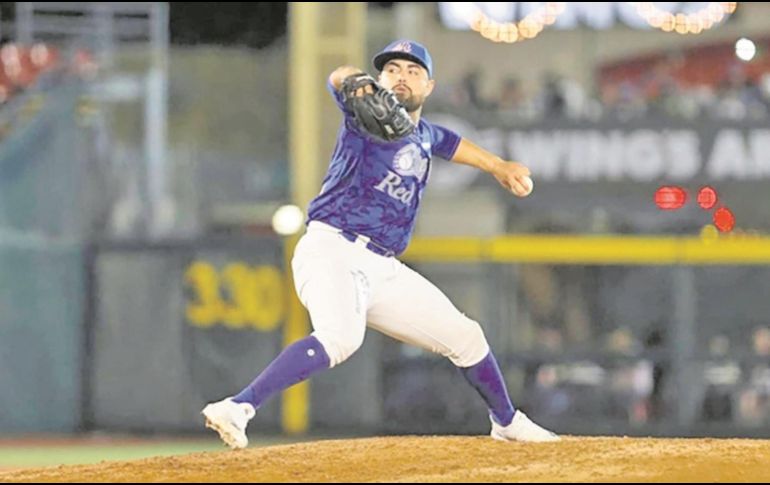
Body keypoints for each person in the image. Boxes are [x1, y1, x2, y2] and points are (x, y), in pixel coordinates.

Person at [202, 39, 559, 449]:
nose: (402, 77)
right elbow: (338, 78)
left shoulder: (425, 134)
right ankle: (238, 406)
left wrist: (498, 166)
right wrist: (353, 78)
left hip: (382, 266)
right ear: (379, 80)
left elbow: (451, 143)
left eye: (413, 71)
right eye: (392, 70)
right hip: (334, 249)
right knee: (341, 338)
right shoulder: (362, 117)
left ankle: (507, 421)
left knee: (467, 336)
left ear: (429, 86)